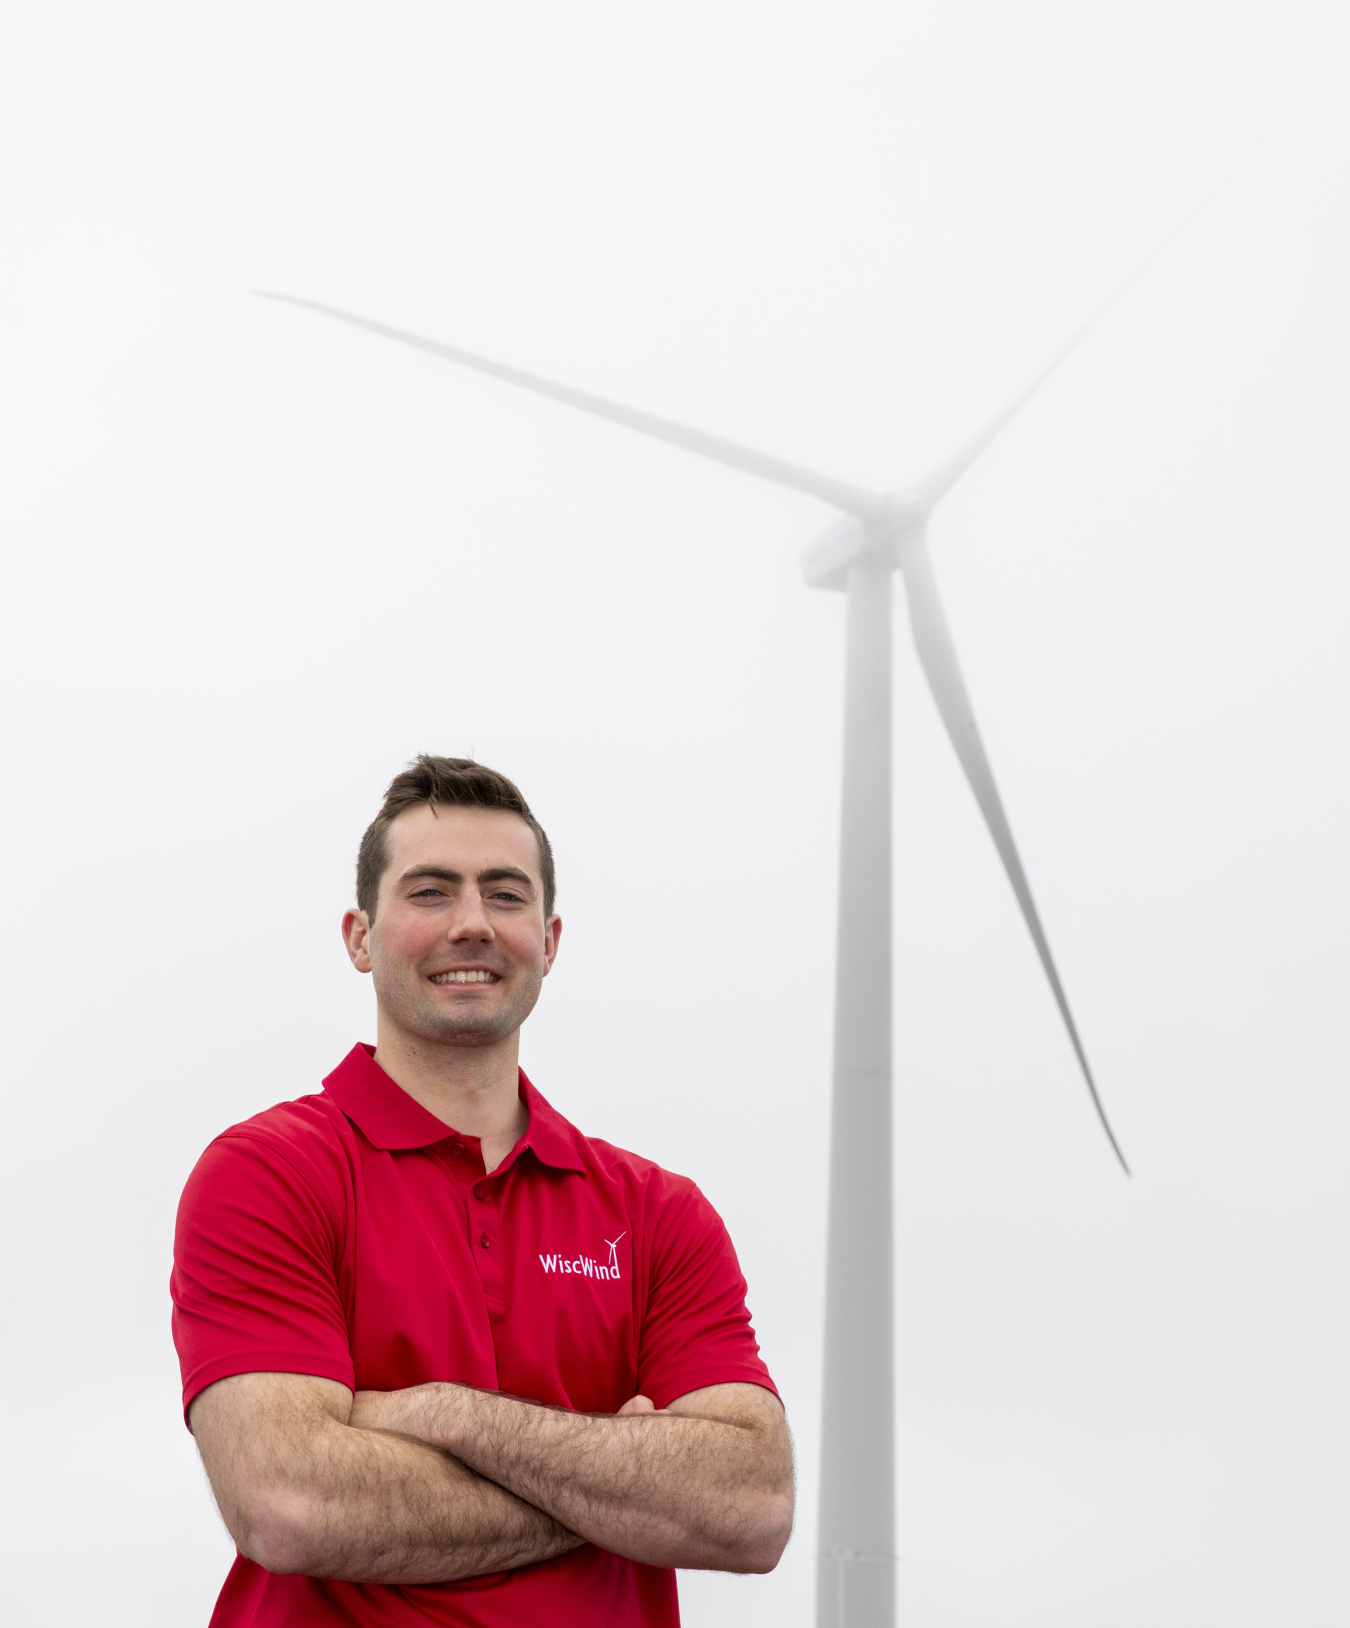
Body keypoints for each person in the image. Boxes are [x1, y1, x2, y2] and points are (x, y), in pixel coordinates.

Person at [172, 755, 793, 1627]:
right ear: (359, 936)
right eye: (430, 892)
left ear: (550, 939)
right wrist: (626, 1485)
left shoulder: (659, 1214)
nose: (473, 924)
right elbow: (291, 1504)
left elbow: (752, 1508)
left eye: (506, 895)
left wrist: (443, 1417)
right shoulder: (269, 1173)